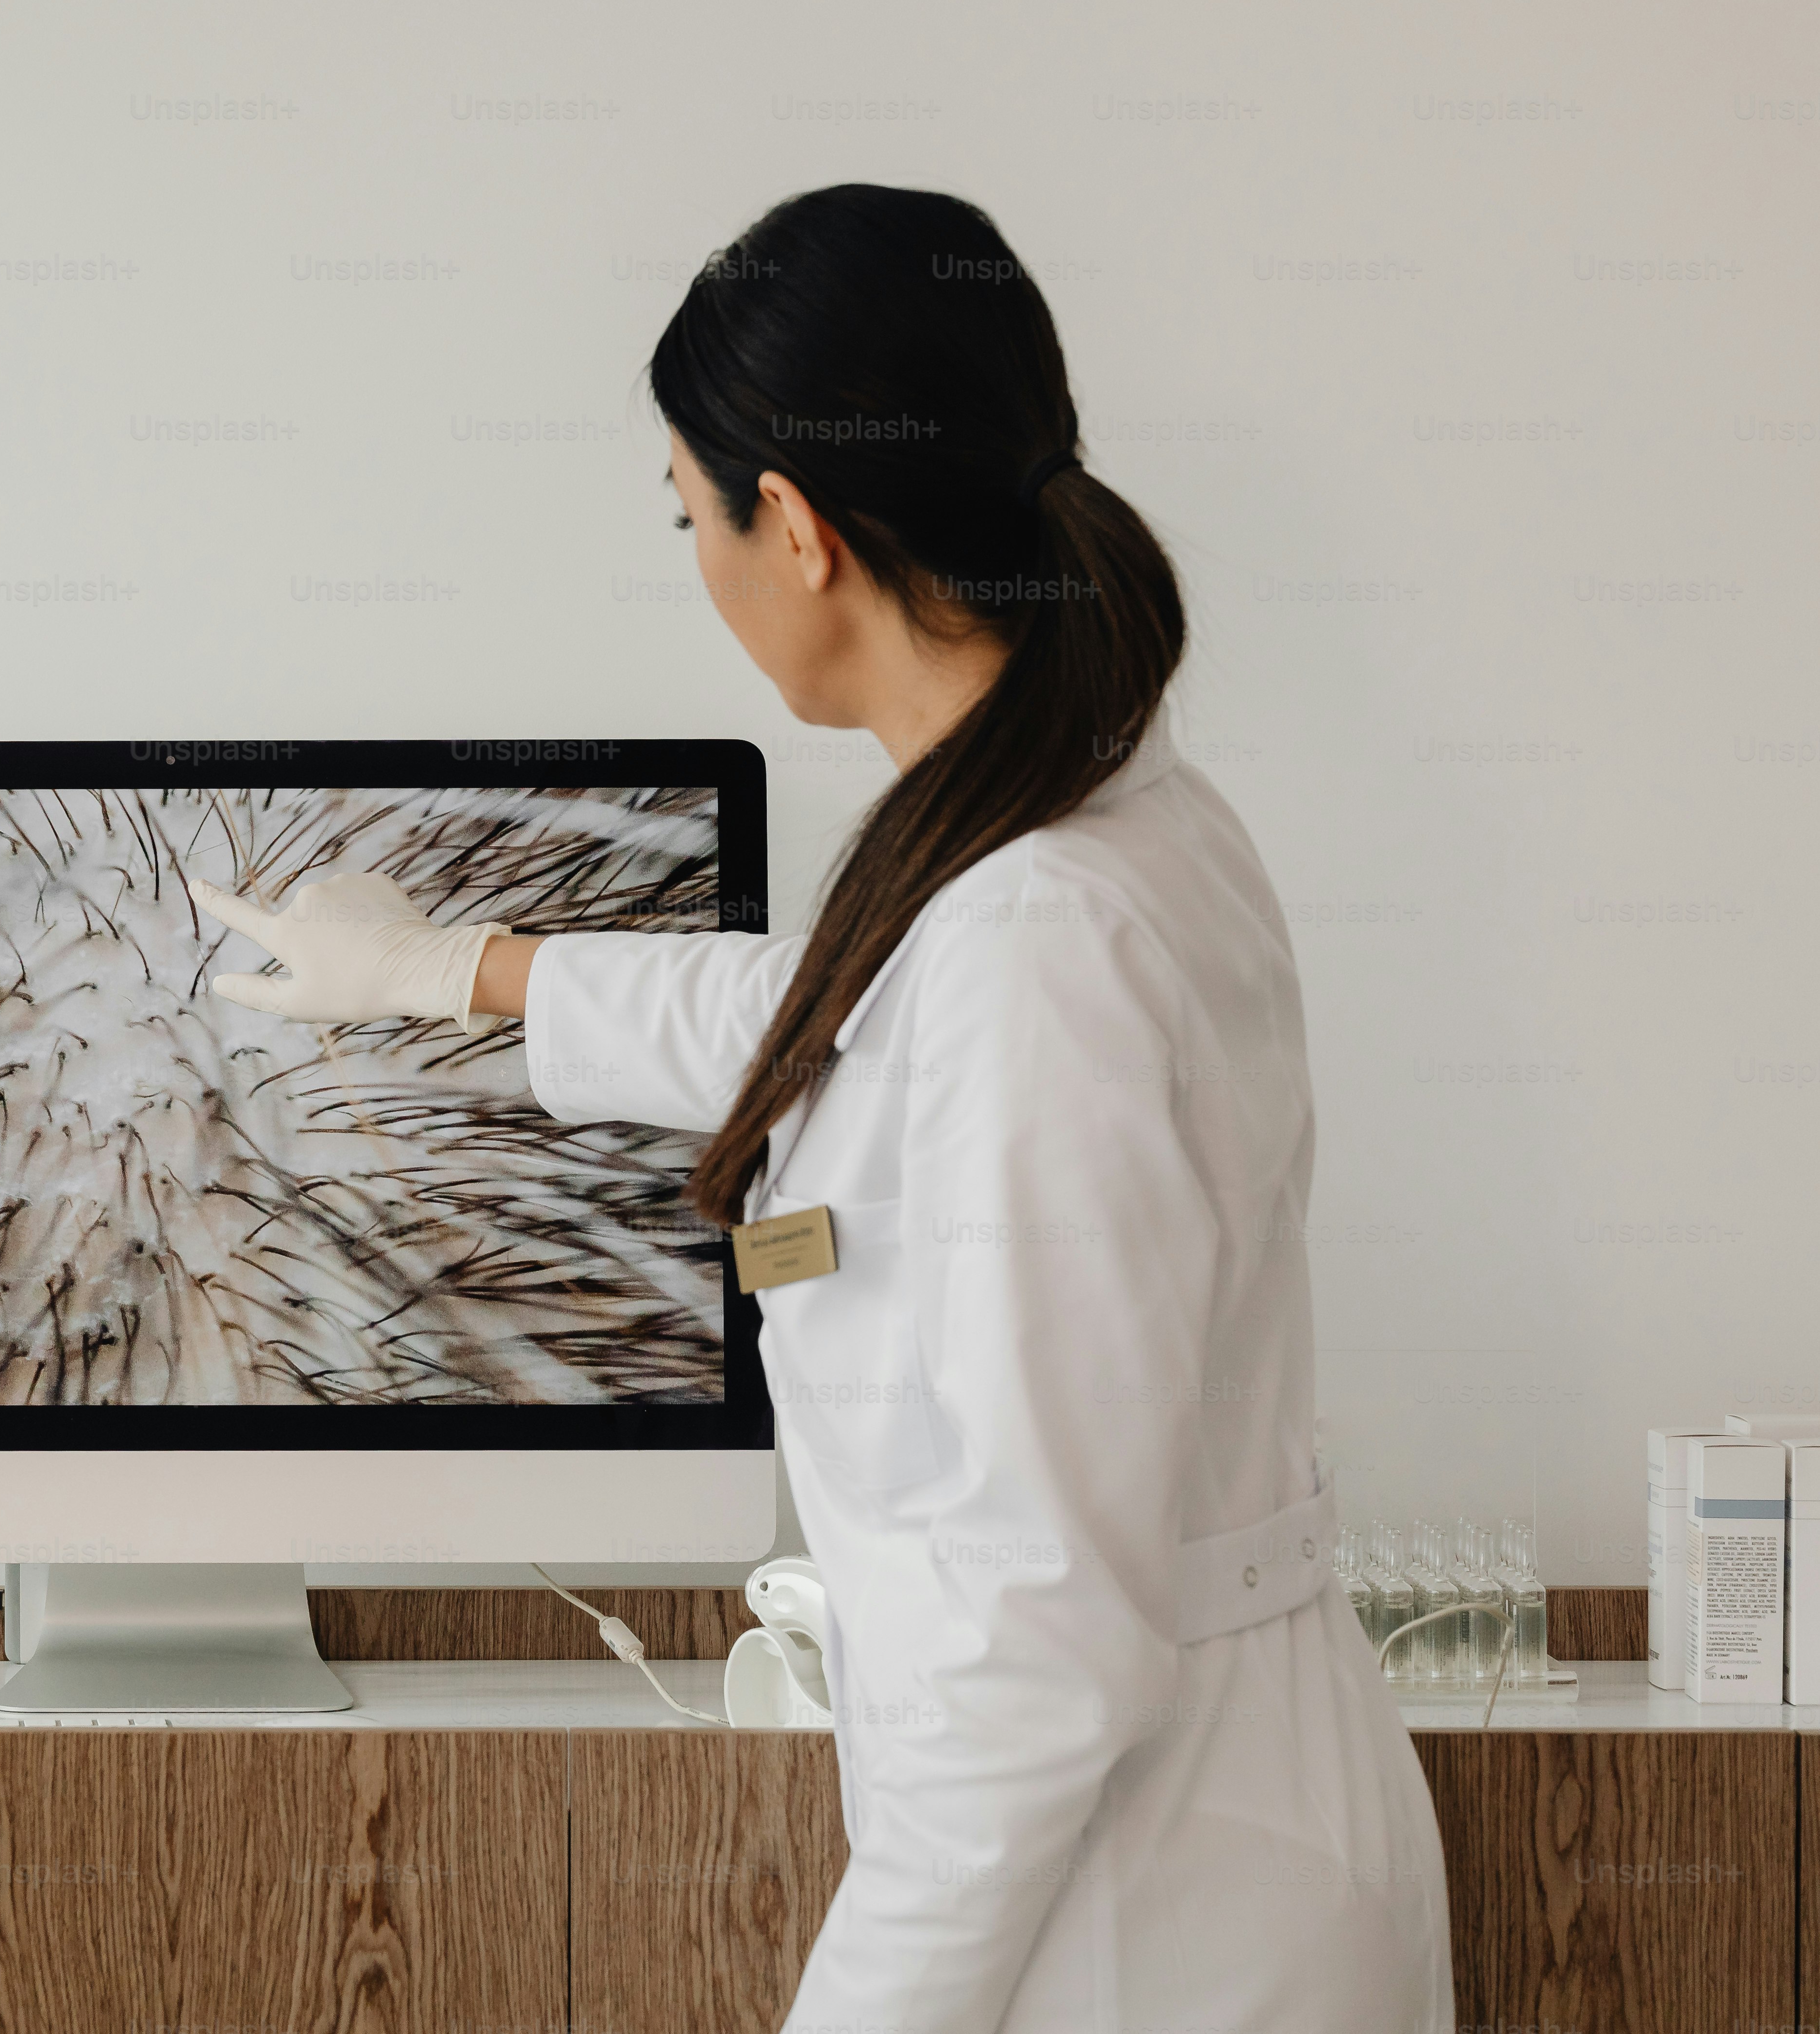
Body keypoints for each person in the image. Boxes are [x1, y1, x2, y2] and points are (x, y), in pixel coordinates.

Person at [198, 184, 1453, 2032]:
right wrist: (452, 964)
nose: (692, 557)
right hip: (1218, 1828)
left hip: (1147, 1914)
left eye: (687, 513)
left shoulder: (1045, 930)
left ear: (790, 527)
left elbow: (1037, 1651)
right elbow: (852, 1010)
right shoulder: (1095, 819)